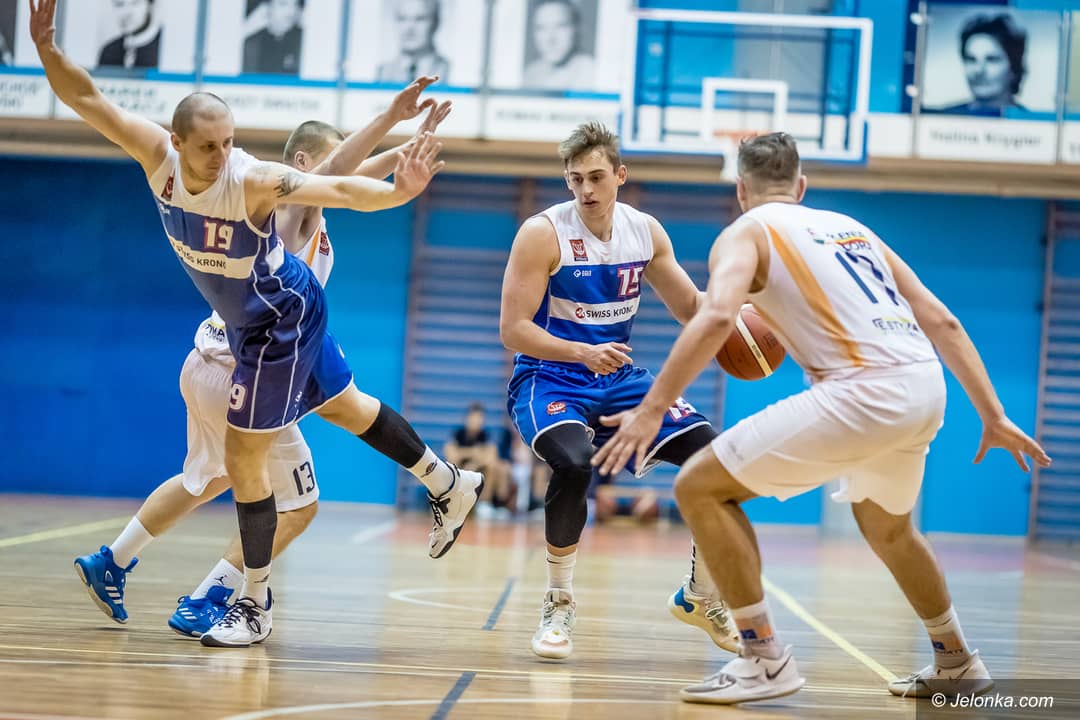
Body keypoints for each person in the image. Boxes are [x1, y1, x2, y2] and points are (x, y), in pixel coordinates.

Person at [31, 0, 481, 650]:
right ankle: (244, 591)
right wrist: (48, 51)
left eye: (229, 142)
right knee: (299, 464)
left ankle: (208, 587)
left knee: (243, 464)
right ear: (178, 142)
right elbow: (89, 99)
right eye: (208, 146)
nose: (222, 155)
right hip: (250, 339)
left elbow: (344, 182)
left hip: (266, 330)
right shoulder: (168, 162)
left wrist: (398, 178)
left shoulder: (256, 181)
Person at [593, 132, 1051, 704]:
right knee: (889, 528)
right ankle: (957, 660)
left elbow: (715, 319)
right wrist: (993, 414)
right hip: (924, 386)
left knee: (698, 487)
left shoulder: (746, 232)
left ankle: (764, 660)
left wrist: (651, 410)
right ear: (801, 186)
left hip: (861, 391)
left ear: (741, 190)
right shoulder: (853, 230)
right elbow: (942, 320)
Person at [500, 121, 737, 660]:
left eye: (596, 177)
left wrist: (746, 310)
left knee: (717, 461)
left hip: (619, 378)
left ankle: (700, 596)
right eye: (575, 179)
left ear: (620, 175)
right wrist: (581, 352)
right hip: (549, 375)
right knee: (574, 465)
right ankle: (558, 602)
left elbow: (690, 309)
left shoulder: (645, 232)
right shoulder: (542, 233)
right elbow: (513, 330)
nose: (585, 189)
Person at [931, 13, 1027, 116]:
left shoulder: (1030, 121)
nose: (979, 70)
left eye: (991, 60)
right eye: (971, 60)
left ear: (1014, 68)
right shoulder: (943, 117)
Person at [444, 402, 513, 518]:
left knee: (495, 466)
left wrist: (474, 464)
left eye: (480, 418)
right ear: (468, 418)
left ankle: (485, 504)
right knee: (452, 466)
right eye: (475, 418)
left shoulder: (485, 435)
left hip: (478, 470)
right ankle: (452, 502)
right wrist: (473, 452)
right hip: (461, 469)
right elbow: (451, 455)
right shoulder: (458, 434)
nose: (477, 421)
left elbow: (492, 456)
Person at [522, 0, 595, 91]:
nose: (550, 39)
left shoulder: (594, 73)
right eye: (541, 27)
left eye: (560, 26)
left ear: (577, 29)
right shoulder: (529, 75)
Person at [377, 0, 449, 84]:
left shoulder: (450, 71)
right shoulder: (382, 72)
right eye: (402, 18)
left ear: (436, 23)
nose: (409, 28)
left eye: (420, 19)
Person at [243, 0, 304, 76]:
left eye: (296, 4)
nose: (291, 11)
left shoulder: (304, 41)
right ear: (267, 7)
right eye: (283, 4)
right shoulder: (251, 44)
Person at [97, 0, 161, 70]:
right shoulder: (109, 51)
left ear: (150, 5)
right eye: (119, 4)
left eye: (135, 3)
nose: (126, 13)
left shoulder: (163, 47)